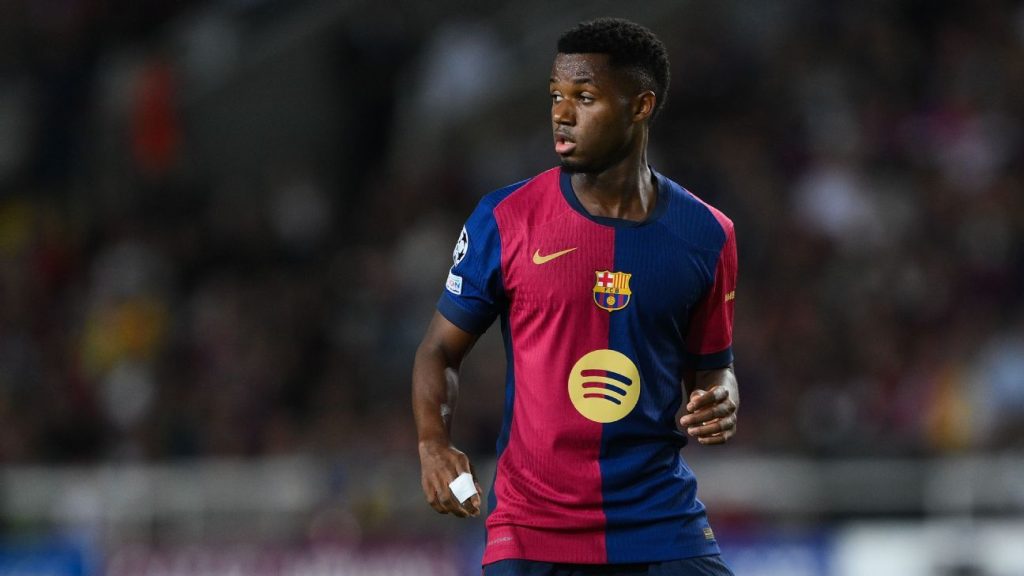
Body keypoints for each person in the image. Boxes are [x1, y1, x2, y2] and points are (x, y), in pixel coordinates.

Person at [412, 17, 739, 576]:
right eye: (556, 95)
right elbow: (439, 350)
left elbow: (713, 367)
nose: (561, 114)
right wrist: (433, 444)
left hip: (660, 520)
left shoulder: (708, 234)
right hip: (533, 529)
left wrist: (721, 397)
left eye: (584, 98)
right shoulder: (506, 219)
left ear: (640, 106)